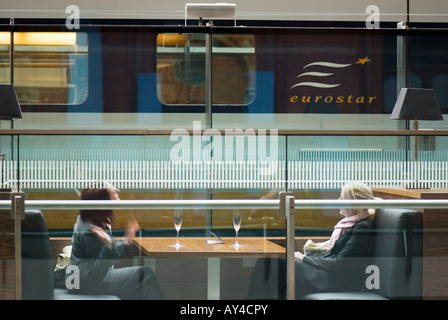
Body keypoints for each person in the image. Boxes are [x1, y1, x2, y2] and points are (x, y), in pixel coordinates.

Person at [247, 182, 377, 299]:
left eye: (343, 197)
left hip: (332, 282)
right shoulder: (350, 225)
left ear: (354, 203)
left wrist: (304, 258)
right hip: (326, 276)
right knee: (269, 262)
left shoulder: (363, 228)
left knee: (273, 263)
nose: (338, 200)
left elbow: (339, 264)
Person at [66, 186, 165, 300]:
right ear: (103, 199)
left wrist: (126, 241)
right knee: (145, 275)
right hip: (82, 282)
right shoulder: (91, 229)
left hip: (81, 278)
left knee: (138, 280)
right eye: (111, 189)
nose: (116, 189)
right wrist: (109, 245)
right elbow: (96, 272)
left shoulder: (94, 218)